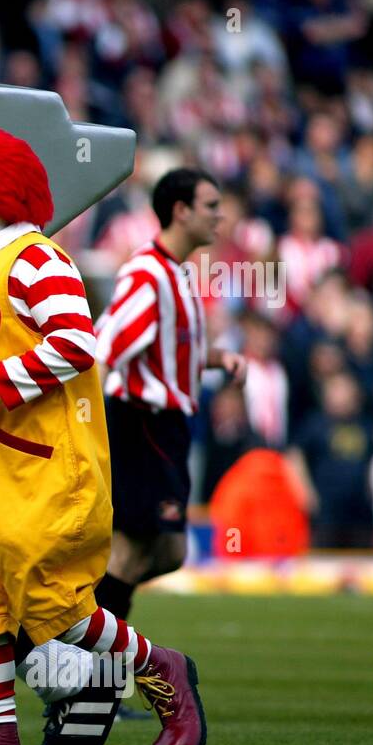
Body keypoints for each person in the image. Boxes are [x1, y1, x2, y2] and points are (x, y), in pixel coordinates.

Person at [0, 129, 207, 745]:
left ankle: (158, 664)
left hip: (37, 472)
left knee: (55, 607)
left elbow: (77, 345)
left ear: (6, 190)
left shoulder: (38, 260)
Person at [93, 168, 247, 621]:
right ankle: (85, 672)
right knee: (132, 548)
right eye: (211, 206)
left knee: (170, 549)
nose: (220, 217)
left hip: (168, 427)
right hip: (143, 424)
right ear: (181, 211)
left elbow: (168, 351)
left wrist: (217, 359)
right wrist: (88, 423)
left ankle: (79, 635)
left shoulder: (174, 274)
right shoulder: (148, 274)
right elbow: (106, 348)